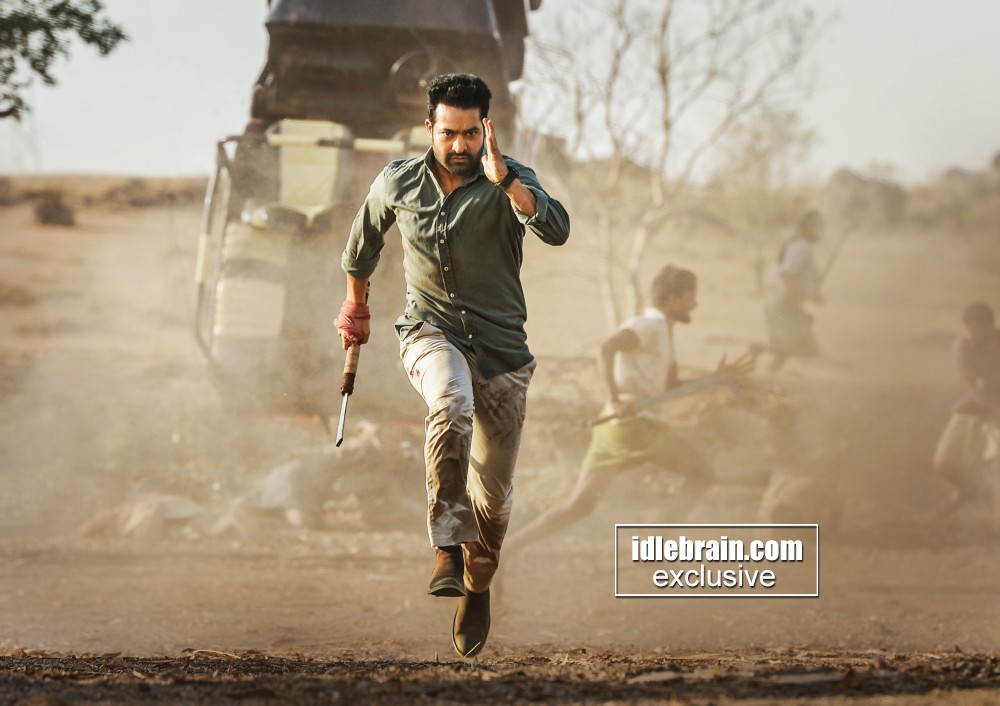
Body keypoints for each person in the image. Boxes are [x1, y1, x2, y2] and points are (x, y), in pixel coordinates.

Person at [335, 73, 570, 658]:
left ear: (485, 129)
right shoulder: (398, 182)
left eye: (470, 133)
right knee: (450, 401)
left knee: (495, 502)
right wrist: (356, 308)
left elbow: (556, 229)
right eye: (448, 134)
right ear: (429, 129)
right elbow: (360, 249)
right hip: (429, 333)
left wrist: (507, 181)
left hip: (504, 355)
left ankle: (478, 583)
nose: (460, 145)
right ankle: (446, 545)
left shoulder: (509, 177)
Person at [503, 265, 750, 556]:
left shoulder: (663, 332)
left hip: (615, 429)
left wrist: (714, 378)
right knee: (702, 476)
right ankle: (654, 543)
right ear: (673, 299)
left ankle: (503, 552)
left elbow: (669, 386)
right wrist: (615, 398)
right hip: (634, 426)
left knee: (579, 506)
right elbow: (607, 348)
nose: (694, 305)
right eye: (689, 298)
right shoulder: (651, 326)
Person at [932, 301, 1000, 527]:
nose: (970, 331)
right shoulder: (962, 345)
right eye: (967, 326)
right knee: (942, 463)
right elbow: (971, 387)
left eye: (976, 326)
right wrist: (993, 407)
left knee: (997, 464)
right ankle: (964, 492)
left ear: (989, 326)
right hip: (976, 405)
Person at [762, 210, 825, 372]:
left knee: (784, 347)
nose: (821, 232)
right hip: (783, 303)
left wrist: (811, 293)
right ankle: (760, 348)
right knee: (809, 349)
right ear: (808, 228)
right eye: (818, 227)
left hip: (778, 302)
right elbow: (786, 275)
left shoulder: (796, 244)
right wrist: (807, 294)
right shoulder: (802, 247)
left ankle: (769, 375)